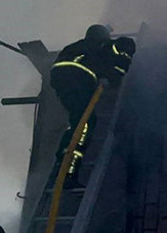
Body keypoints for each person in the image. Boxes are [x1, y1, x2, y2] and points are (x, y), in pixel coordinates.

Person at [50, 24, 136, 188]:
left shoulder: (78, 46)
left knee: (77, 119)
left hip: (60, 81)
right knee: (86, 124)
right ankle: (68, 173)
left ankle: (62, 159)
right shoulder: (108, 47)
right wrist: (118, 73)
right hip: (78, 78)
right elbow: (117, 67)